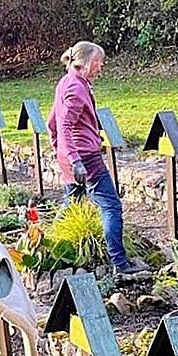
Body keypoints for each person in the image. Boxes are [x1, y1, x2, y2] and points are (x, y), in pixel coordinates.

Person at [47, 41, 147, 275]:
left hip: (71, 157)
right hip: (84, 159)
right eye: (99, 62)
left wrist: (59, 150)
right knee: (111, 206)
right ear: (88, 62)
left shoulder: (66, 82)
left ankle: (48, 249)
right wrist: (74, 159)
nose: (101, 67)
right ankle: (120, 263)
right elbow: (64, 125)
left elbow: (52, 122)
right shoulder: (76, 88)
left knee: (72, 201)